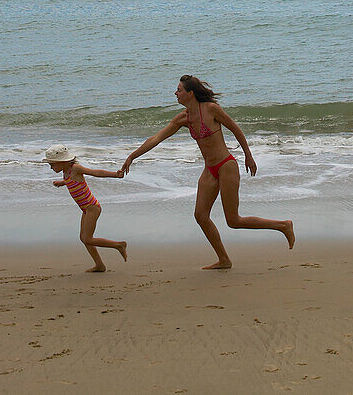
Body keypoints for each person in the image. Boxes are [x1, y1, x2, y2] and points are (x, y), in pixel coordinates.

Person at [120, 75, 294, 269]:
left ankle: (283, 225)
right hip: (209, 170)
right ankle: (224, 260)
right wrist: (132, 156)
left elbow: (235, 128)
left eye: (179, 90)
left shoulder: (211, 110)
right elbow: (156, 138)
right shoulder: (183, 118)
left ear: (190, 93)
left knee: (234, 220)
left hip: (226, 166)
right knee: (200, 216)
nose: (175, 93)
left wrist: (248, 155)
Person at [45, 143, 128, 272]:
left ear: (62, 161)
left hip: (92, 207)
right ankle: (99, 265)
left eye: (52, 164)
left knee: (88, 239)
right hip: (85, 209)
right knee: (84, 239)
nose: (51, 167)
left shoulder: (76, 168)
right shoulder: (66, 171)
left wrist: (115, 175)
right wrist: (62, 183)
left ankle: (119, 245)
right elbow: (72, 181)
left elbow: (95, 172)